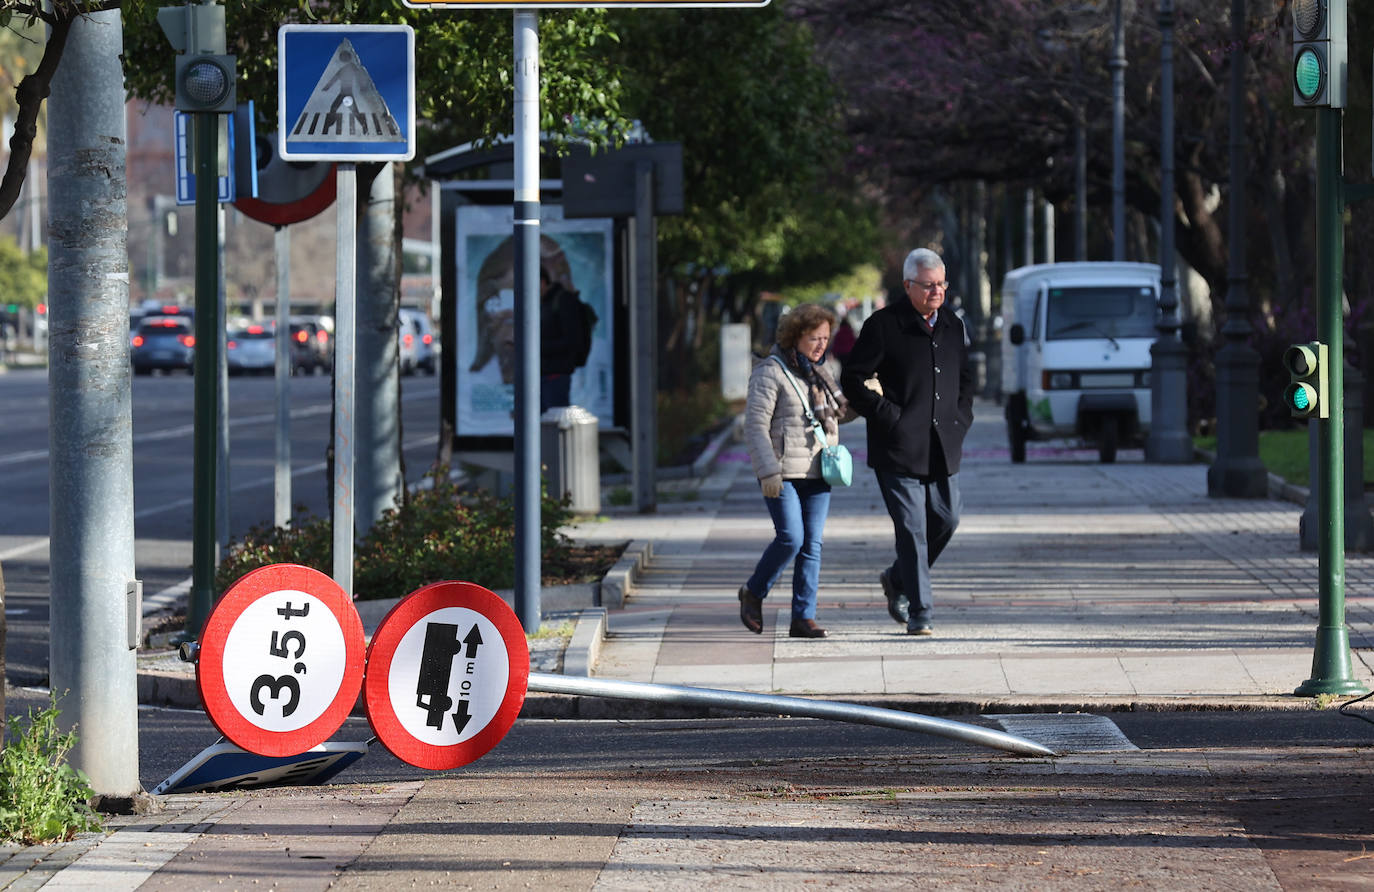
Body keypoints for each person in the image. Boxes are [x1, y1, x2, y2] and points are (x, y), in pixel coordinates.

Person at [839, 248, 974, 636]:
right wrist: (887, 415)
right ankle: (921, 612)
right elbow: (852, 378)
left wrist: (961, 418)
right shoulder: (883, 325)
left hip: (943, 443)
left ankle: (897, 579)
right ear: (908, 285)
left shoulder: (953, 324)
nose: (937, 291)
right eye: (929, 285)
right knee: (912, 529)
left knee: (947, 519)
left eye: (941, 284)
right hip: (897, 447)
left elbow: (966, 379)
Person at [739, 303, 856, 639]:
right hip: (783, 472)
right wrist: (767, 471)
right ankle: (754, 591)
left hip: (819, 470)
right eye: (813, 338)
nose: (821, 345)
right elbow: (755, 426)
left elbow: (834, 415)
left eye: (824, 338)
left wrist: (864, 402)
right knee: (791, 537)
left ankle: (803, 617)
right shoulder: (770, 372)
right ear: (795, 336)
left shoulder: (821, 372)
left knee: (812, 545)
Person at [539, 266, 590, 412]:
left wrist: (537, 348)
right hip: (543, 374)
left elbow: (572, 340)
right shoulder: (544, 304)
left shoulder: (563, 301)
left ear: (542, 282)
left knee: (555, 423)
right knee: (541, 425)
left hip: (556, 374)